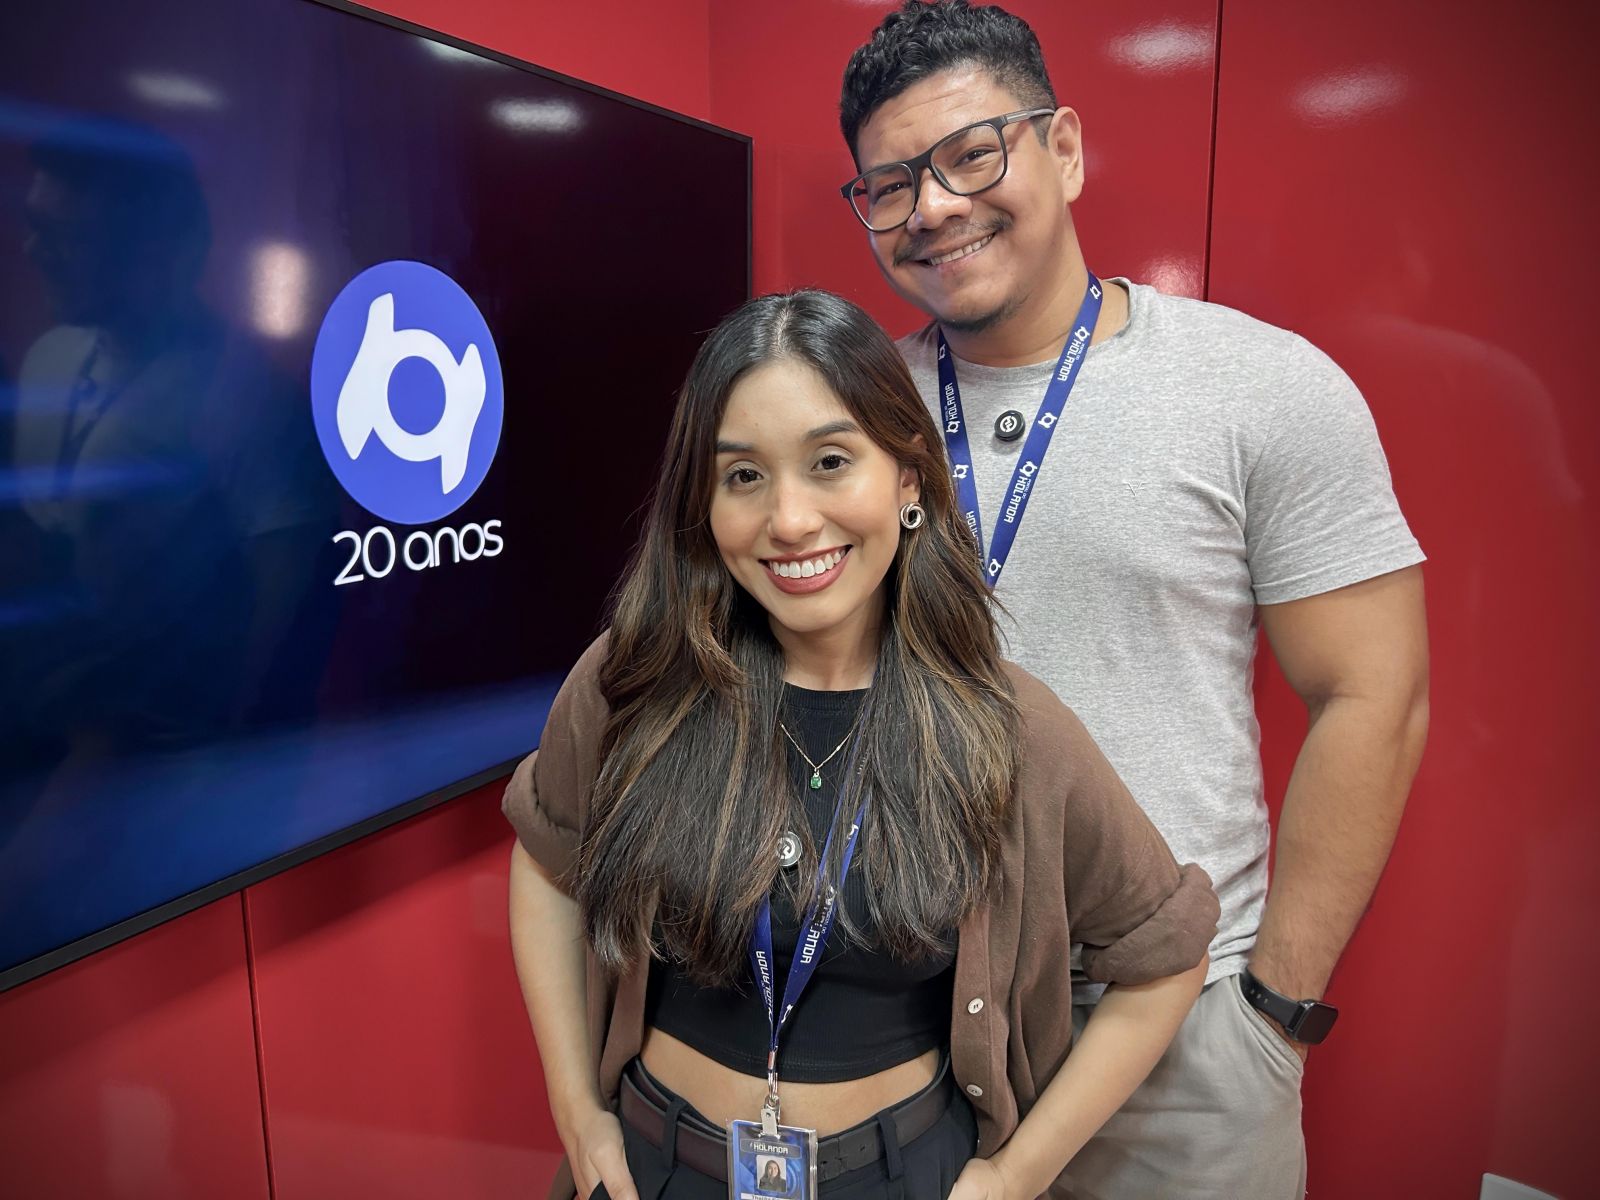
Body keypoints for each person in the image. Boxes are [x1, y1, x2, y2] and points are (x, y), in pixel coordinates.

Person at [836, 3, 1431, 1197]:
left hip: (1180, 1032)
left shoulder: (1258, 385)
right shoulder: (847, 418)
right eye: (889, 185)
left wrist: (1272, 1006)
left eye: (970, 154)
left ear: (1061, 147)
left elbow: (1376, 691)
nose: (934, 207)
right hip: (903, 1018)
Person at [504, 290, 1219, 1200]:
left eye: (831, 461)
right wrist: (577, 1108)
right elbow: (548, 864)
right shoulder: (637, 681)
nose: (791, 520)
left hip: (897, 1175)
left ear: (908, 478)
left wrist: (1015, 1176)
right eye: (743, 477)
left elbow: (1165, 958)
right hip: (656, 1167)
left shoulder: (1009, 730)